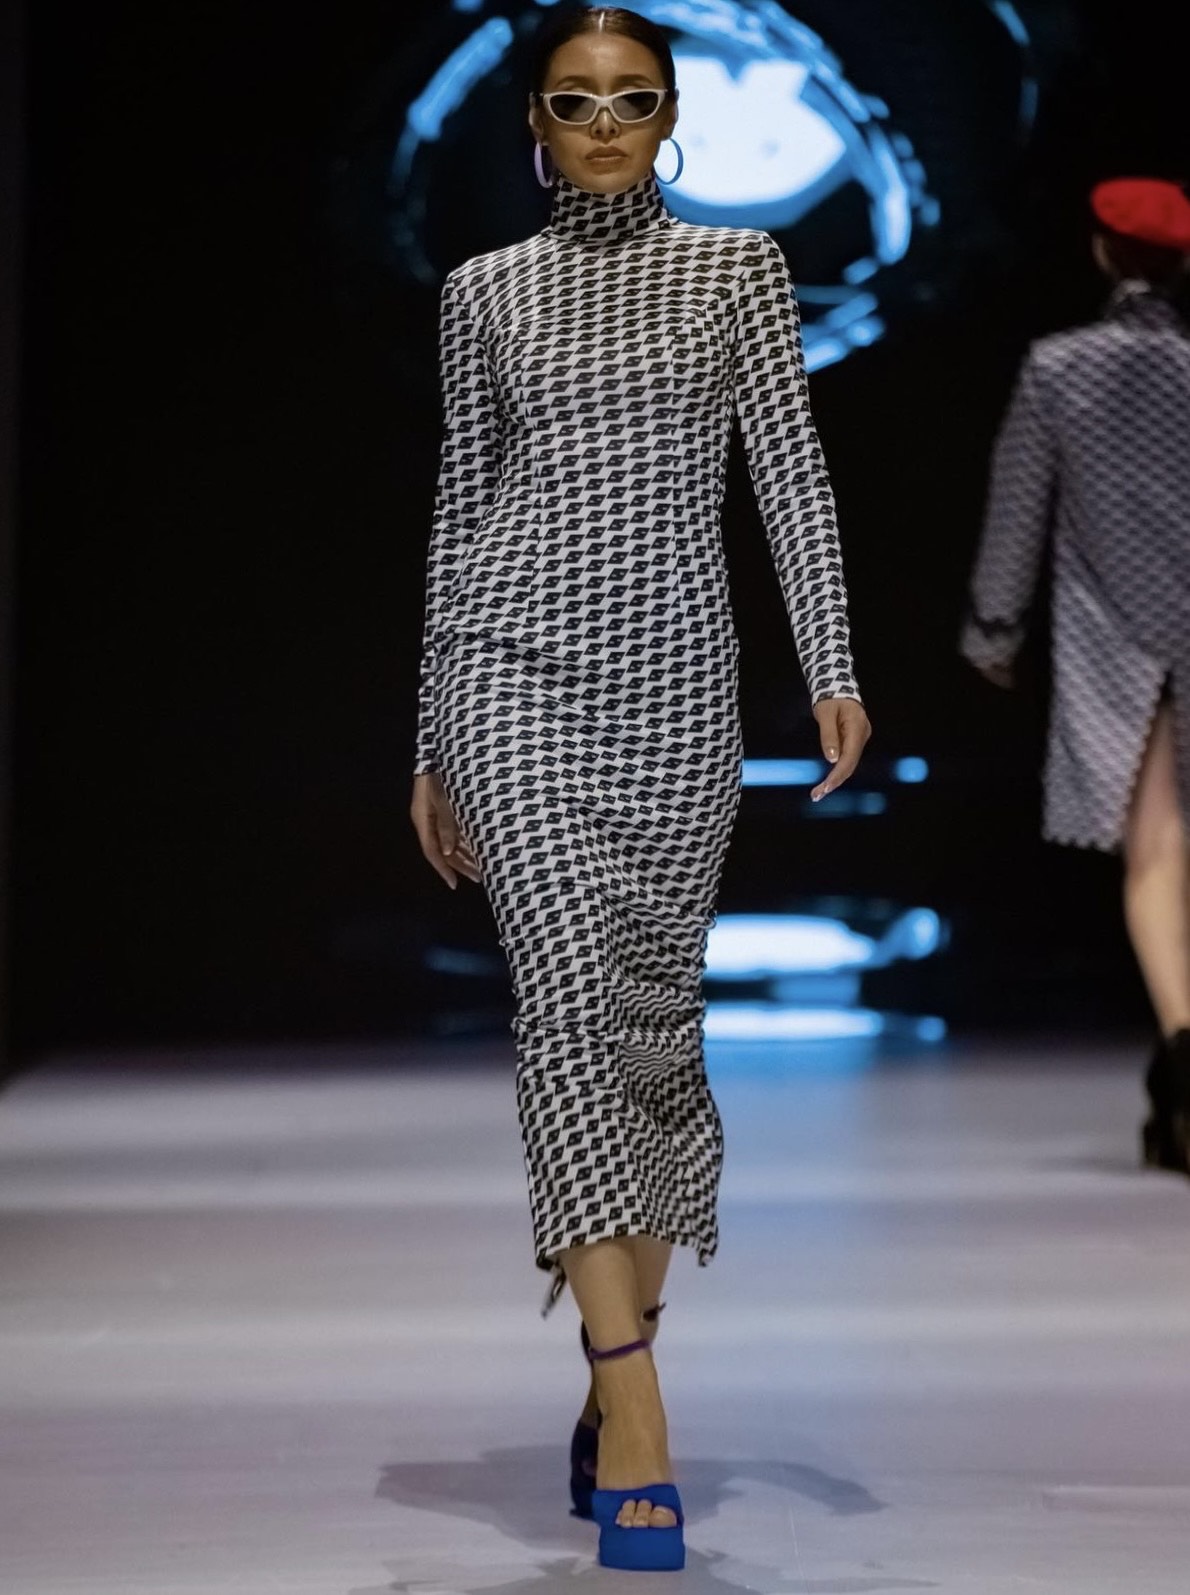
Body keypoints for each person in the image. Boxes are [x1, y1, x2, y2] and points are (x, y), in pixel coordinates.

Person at [409, 5, 869, 1571]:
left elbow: (788, 473)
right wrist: (429, 734)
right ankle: (637, 1400)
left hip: (676, 685)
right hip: (509, 677)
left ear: (670, 116)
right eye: (573, 100)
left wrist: (831, 660)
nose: (602, 123)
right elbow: (459, 505)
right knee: (563, 1009)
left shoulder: (736, 269)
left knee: (655, 1032)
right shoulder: (484, 290)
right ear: (532, 123)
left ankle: (614, 1371)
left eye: (629, 99)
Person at [961, 176, 1190, 1173]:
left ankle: (1184, 1059)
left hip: (1119, 639)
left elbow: (1018, 505)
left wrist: (992, 630)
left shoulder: (1061, 368)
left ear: (1101, 252)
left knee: (1155, 856)